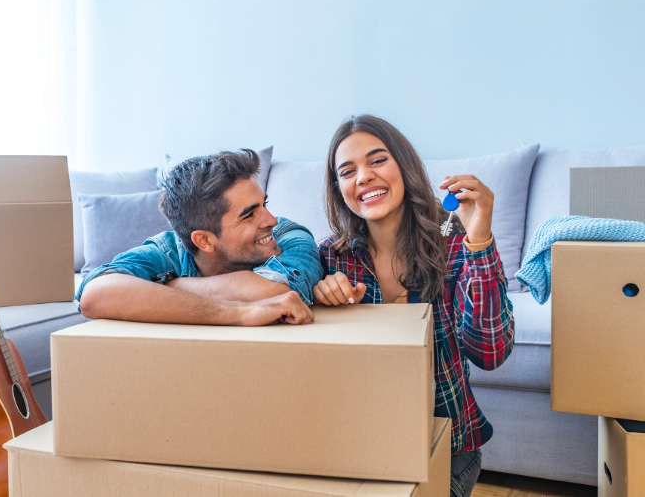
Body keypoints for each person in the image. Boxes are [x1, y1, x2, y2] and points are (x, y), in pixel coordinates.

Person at [314, 115, 514, 497]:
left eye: (377, 160)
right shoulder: (331, 256)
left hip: (444, 447)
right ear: (338, 188)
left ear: (403, 167)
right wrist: (324, 296)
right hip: (364, 445)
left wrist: (480, 238)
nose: (363, 177)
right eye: (347, 171)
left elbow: (490, 353)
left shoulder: (455, 245)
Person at [77, 149, 323, 326]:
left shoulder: (289, 236)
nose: (271, 220)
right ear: (203, 240)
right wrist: (238, 313)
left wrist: (166, 286)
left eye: (263, 205)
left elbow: (277, 292)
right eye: (249, 215)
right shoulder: (168, 251)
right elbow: (94, 295)